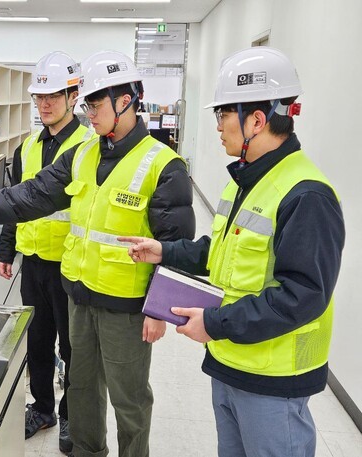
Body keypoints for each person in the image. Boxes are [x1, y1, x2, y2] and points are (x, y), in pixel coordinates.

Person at [0, 50, 195, 457]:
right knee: (82, 389)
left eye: (96, 104)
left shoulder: (163, 165)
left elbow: (177, 245)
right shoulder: (83, 154)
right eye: (88, 104)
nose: (90, 113)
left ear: (126, 101)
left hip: (126, 306)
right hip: (80, 295)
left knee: (129, 400)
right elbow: (32, 193)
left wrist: (159, 311)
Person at [121, 46, 345, 457]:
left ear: (256, 120)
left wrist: (216, 322)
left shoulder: (306, 194)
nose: (218, 126)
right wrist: (164, 252)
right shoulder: (247, 180)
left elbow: (303, 296)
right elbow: (222, 251)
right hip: (232, 362)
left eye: (224, 114)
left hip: (273, 381)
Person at [0, 51, 93, 455]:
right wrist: (7, 248)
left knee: (73, 349)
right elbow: (16, 201)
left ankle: (72, 414)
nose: (45, 104)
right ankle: (42, 408)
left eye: (53, 95)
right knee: (37, 343)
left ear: (74, 95)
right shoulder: (26, 148)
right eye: (39, 97)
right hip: (34, 262)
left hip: (72, 265)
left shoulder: (91, 147)